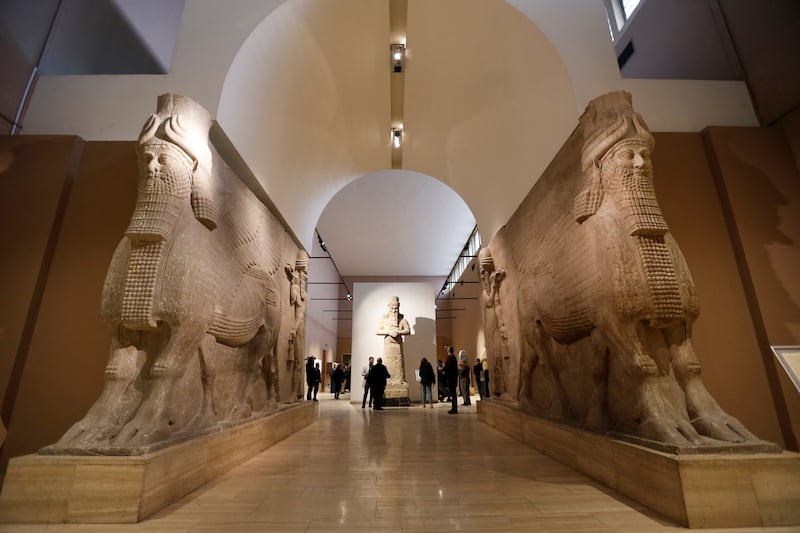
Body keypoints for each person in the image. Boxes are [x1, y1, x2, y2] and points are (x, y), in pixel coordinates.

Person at [444, 347, 459, 414]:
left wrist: (443, 370)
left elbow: (448, 367)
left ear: (448, 351)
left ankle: (454, 409)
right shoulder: (454, 358)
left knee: (453, 394)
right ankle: (454, 408)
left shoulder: (450, 358)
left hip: (451, 379)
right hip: (453, 378)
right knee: (453, 395)